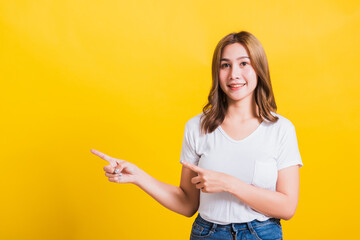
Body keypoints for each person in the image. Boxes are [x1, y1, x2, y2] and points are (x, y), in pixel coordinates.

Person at [91, 31, 303, 240]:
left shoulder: (281, 129)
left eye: (244, 63)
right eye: (225, 65)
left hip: (262, 234)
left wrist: (229, 184)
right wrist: (138, 176)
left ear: (259, 68)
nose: (234, 74)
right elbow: (187, 203)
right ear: (217, 72)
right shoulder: (197, 127)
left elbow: (287, 207)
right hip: (208, 234)